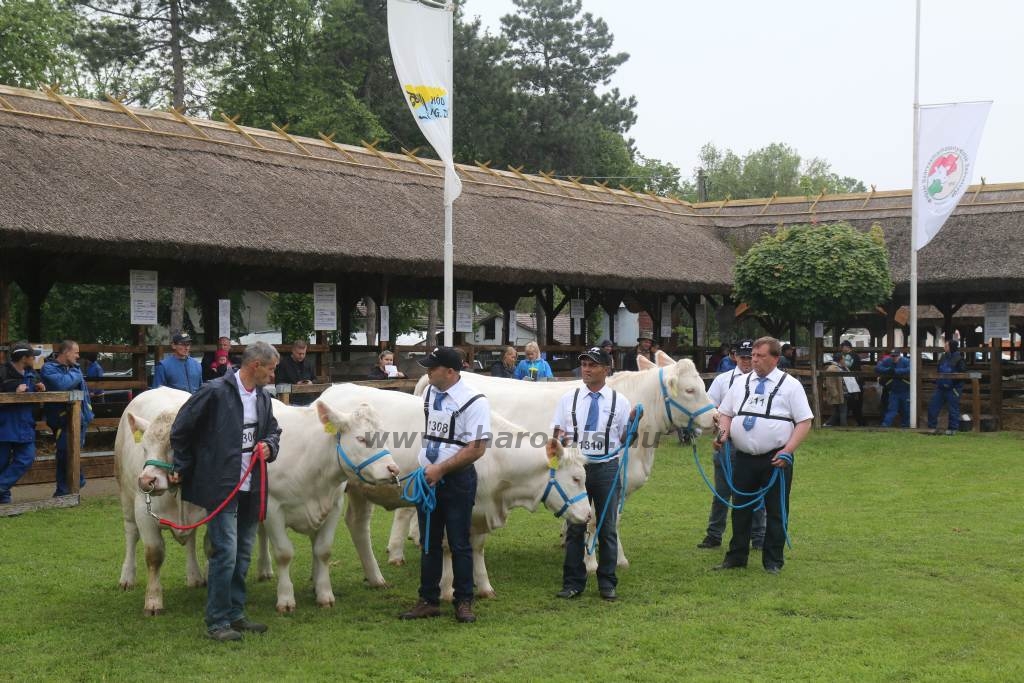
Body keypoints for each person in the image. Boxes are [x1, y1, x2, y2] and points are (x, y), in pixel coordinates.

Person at [168, 341, 282, 642]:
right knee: (226, 553)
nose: (273, 376)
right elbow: (181, 428)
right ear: (255, 365)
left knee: (243, 553)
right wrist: (184, 464)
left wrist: (270, 446)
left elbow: (273, 429)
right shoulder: (214, 391)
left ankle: (235, 613)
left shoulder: (262, 397)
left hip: (251, 485)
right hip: (222, 486)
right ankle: (217, 621)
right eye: (271, 369)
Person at [400, 347, 491, 624]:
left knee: (459, 542)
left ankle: (463, 601)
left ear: (450, 371)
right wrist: (428, 467)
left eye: (433, 367)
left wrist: (441, 468)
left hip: (456, 479)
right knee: (429, 542)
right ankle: (428, 599)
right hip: (429, 477)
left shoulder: (474, 401)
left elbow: (476, 448)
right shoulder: (429, 393)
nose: (427, 371)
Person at [712, 337, 812, 575]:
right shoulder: (740, 383)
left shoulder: (791, 386)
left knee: (776, 510)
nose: (753, 360)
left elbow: (804, 421)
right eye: (753, 356)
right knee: (741, 508)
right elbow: (725, 413)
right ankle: (736, 557)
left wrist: (787, 451)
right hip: (744, 457)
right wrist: (723, 435)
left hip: (776, 459)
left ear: (775, 358)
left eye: (760, 356)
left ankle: (773, 561)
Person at [551, 346, 631, 602]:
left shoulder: (620, 401)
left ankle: (607, 583)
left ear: (606, 369)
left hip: (606, 467)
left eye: (592, 365)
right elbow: (557, 433)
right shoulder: (568, 399)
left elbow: (624, 437)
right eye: (584, 364)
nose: (586, 369)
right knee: (576, 526)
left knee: (607, 527)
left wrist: (633, 429)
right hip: (578, 469)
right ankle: (573, 582)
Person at [697, 339, 765, 551]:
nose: (747, 361)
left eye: (750, 357)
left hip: (754, 442)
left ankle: (758, 536)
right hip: (727, 442)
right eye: (743, 357)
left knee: (755, 491)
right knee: (722, 491)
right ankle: (714, 534)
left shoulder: (763, 382)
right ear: (735, 356)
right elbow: (710, 405)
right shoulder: (723, 380)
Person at [40, 340, 94, 496]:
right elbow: (62, 385)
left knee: (71, 452)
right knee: (65, 452)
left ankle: (64, 491)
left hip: (80, 419)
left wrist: (88, 414)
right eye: (76, 352)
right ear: (66, 352)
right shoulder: (49, 368)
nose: (78, 356)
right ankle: (74, 483)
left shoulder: (73, 369)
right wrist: (76, 372)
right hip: (61, 420)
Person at [0, 342, 45, 504]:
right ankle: (4, 502)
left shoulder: (33, 374)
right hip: (4, 427)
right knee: (1, 464)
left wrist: (40, 389)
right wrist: (14, 394)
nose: (34, 359)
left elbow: (36, 398)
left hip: (25, 426)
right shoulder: (2, 373)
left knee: (26, 458)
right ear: (24, 358)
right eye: (33, 356)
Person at [928, 339, 966, 435]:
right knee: (933, 407)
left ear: (951, 347)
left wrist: (954, 385)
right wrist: (937, 380)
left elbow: (962, 373)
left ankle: (952, 429)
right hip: (940, 388)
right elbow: (938, 370)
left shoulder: (959, 359)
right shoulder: (943, 357)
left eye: (946, 345)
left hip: (952, 389)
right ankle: (931, 427)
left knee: (953, 409)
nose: (944, 347)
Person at [276, 339, 317, 406]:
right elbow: (278, 384)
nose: (301, 356)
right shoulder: (283, 364)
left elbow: (315, 379)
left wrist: (311, 382)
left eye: (303, 353)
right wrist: (294, 385)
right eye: (299, 353)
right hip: (290, 402)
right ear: (293, 351)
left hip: (308, 401)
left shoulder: (309, 363)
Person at [876, 348, 910, 428]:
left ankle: (905, 425)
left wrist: (896, 371)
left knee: (906, 410)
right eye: (892, 356)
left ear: (899, 355)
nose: (894, 358)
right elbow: (877, 367)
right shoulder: (888, 360)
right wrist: (888, 370)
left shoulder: (906, 361)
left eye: (896, 356)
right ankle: (885, 425)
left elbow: (910, 369)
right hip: (893, 390)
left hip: (905, 390)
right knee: (892, 409)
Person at [837, 340, 864, 426]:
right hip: (856, 382)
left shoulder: (849, 356)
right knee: (854, 404)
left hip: (853, 383)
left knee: (854, 403)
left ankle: (860, 422)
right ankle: (860, 422)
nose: (842, 349)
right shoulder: (854, 355)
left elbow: (846, 365)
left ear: (847, 347)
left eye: (843, 347)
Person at [823, 355, 847, 427]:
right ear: (840, 360)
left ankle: (827, 424)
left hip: (842, 392)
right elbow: (829, 383)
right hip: (838, 393)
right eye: (843, 359)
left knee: (838, 411)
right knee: (843, 410)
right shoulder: (832, 368)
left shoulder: (841, 368)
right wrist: (835, 394)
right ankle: (844, 426)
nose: (844, 361)